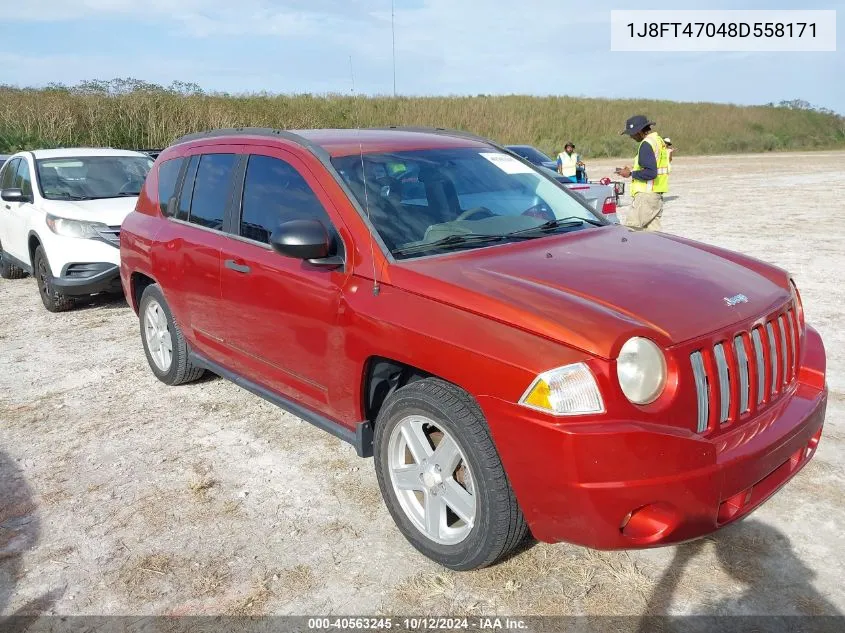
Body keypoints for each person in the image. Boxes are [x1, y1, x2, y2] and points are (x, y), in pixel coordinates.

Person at [615, 115, 670, 232]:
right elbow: (654, 165)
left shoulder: (646, 144)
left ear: (639, 131)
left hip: (645, 197)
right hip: (655, 195)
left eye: (632, 133)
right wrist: (632, 168)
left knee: (630, 232)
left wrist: (630, 173)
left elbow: (651, 172)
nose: (630, 136)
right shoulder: (658, 141)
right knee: (653, 236)